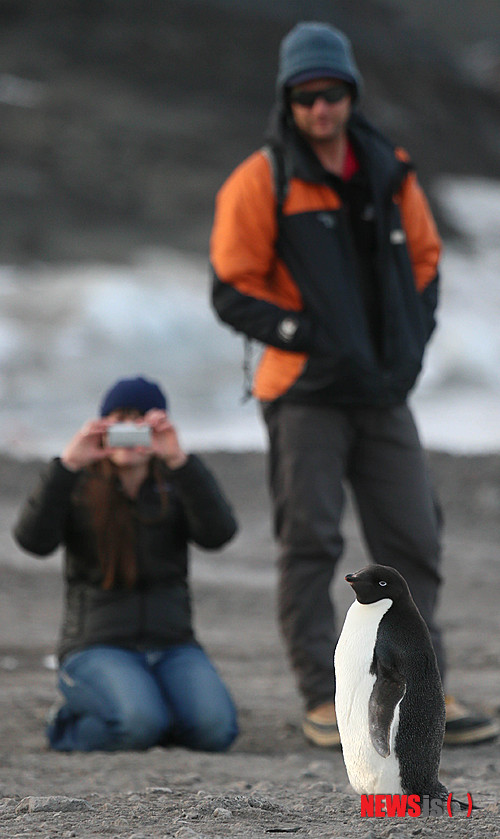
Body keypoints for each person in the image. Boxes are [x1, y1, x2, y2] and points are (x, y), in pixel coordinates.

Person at [210, 21, 498, 747]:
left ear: (349, 93)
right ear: (289, 100)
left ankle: (419, 689)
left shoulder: (388, 169)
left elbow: (427, 264)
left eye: (332, 93)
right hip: (304, 392)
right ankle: (321, 697)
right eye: (306, 97)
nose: (320, 108)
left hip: (383, 391)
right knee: (308, 540)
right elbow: (230, 288)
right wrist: (299, 334)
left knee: (413, 539)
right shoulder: (261, 181)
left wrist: (411, 343)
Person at [14, 376, 239, 752]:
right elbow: (33, 541)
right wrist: (67, 464)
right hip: (97, 644)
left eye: (142, 423)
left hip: (172, 644)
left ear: (158, 429)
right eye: (120, 422)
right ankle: (66, 723)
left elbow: (218, 535)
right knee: (136, 725)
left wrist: (180, 462)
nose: (130, 435)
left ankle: (154, 709)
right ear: (102, 428)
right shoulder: (78, 485)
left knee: (215, 731)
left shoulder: (176, 484)